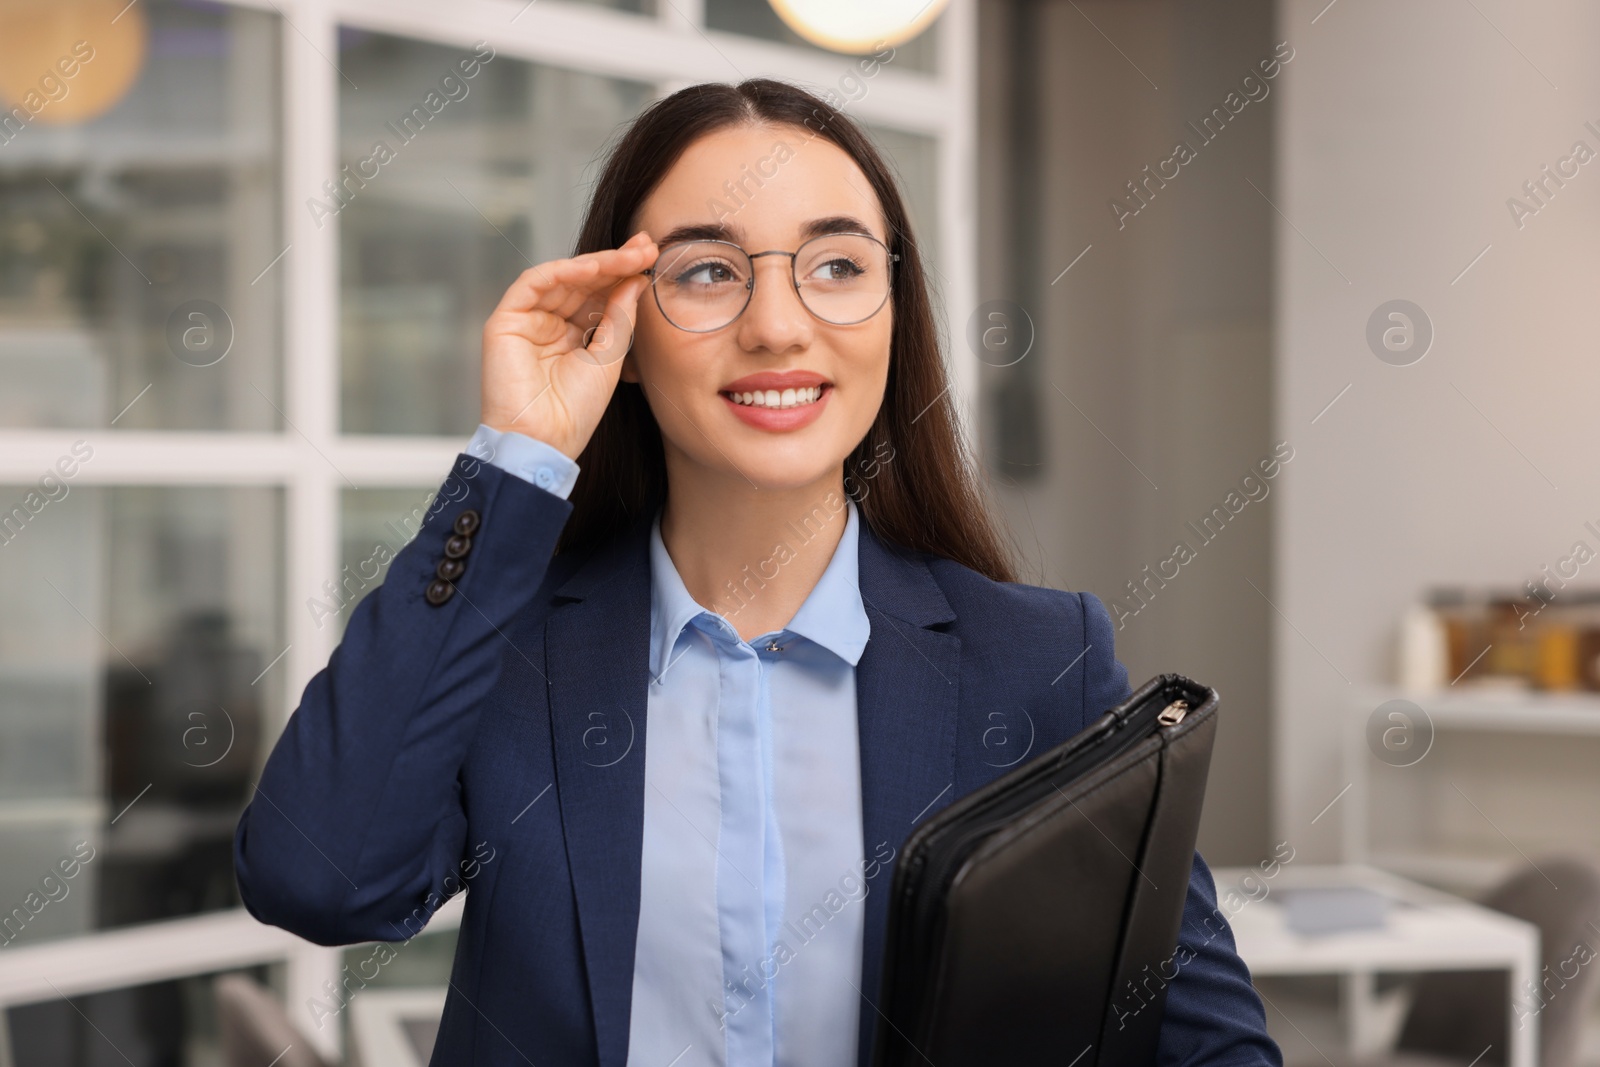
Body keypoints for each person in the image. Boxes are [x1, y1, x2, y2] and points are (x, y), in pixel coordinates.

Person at [234, 77, 1281, 1067]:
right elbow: (317, 878)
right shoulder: (509, 652)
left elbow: (1207, 1043)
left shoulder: (1041, 658)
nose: (778, 325)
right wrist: (518, 457)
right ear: (626, 331)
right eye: (705, 270)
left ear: (892, 313)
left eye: (836, 267)